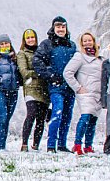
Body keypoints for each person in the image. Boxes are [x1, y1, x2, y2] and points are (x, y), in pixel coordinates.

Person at [33, 17, 77, 153]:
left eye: (63, 27)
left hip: (70, 86)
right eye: (58, 27)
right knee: (57, 112)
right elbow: (37, 61)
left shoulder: (72, 45)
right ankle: (51, 144)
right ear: (53, 28)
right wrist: (50, 76)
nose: (61, 29)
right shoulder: (47, 44)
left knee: (67, 115)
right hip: (56, 86)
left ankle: (62, 144)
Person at [63, 32, 103, 155]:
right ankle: (77, 144)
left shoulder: (99, 58)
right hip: (85, 93)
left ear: (93, 42)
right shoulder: (79, 56)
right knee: (85, 117)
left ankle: (88, 146)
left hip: (98, 94)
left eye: (89, 40)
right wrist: (78, 87)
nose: (87, 43)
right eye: (85, 41)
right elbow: (67, 72)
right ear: (81, 43)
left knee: (93, 119)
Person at [16, 29, 49, 151]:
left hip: (44, 88)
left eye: (32, 37)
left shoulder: (41, 52)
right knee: (31, 114)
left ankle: (36, 144)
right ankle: (24, 143)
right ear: (24, 40)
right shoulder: (22, 53)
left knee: (41, 118)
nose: (30, 40)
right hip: (30, 88)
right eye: (28, 38)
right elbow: (24, 72)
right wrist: (40, 72)